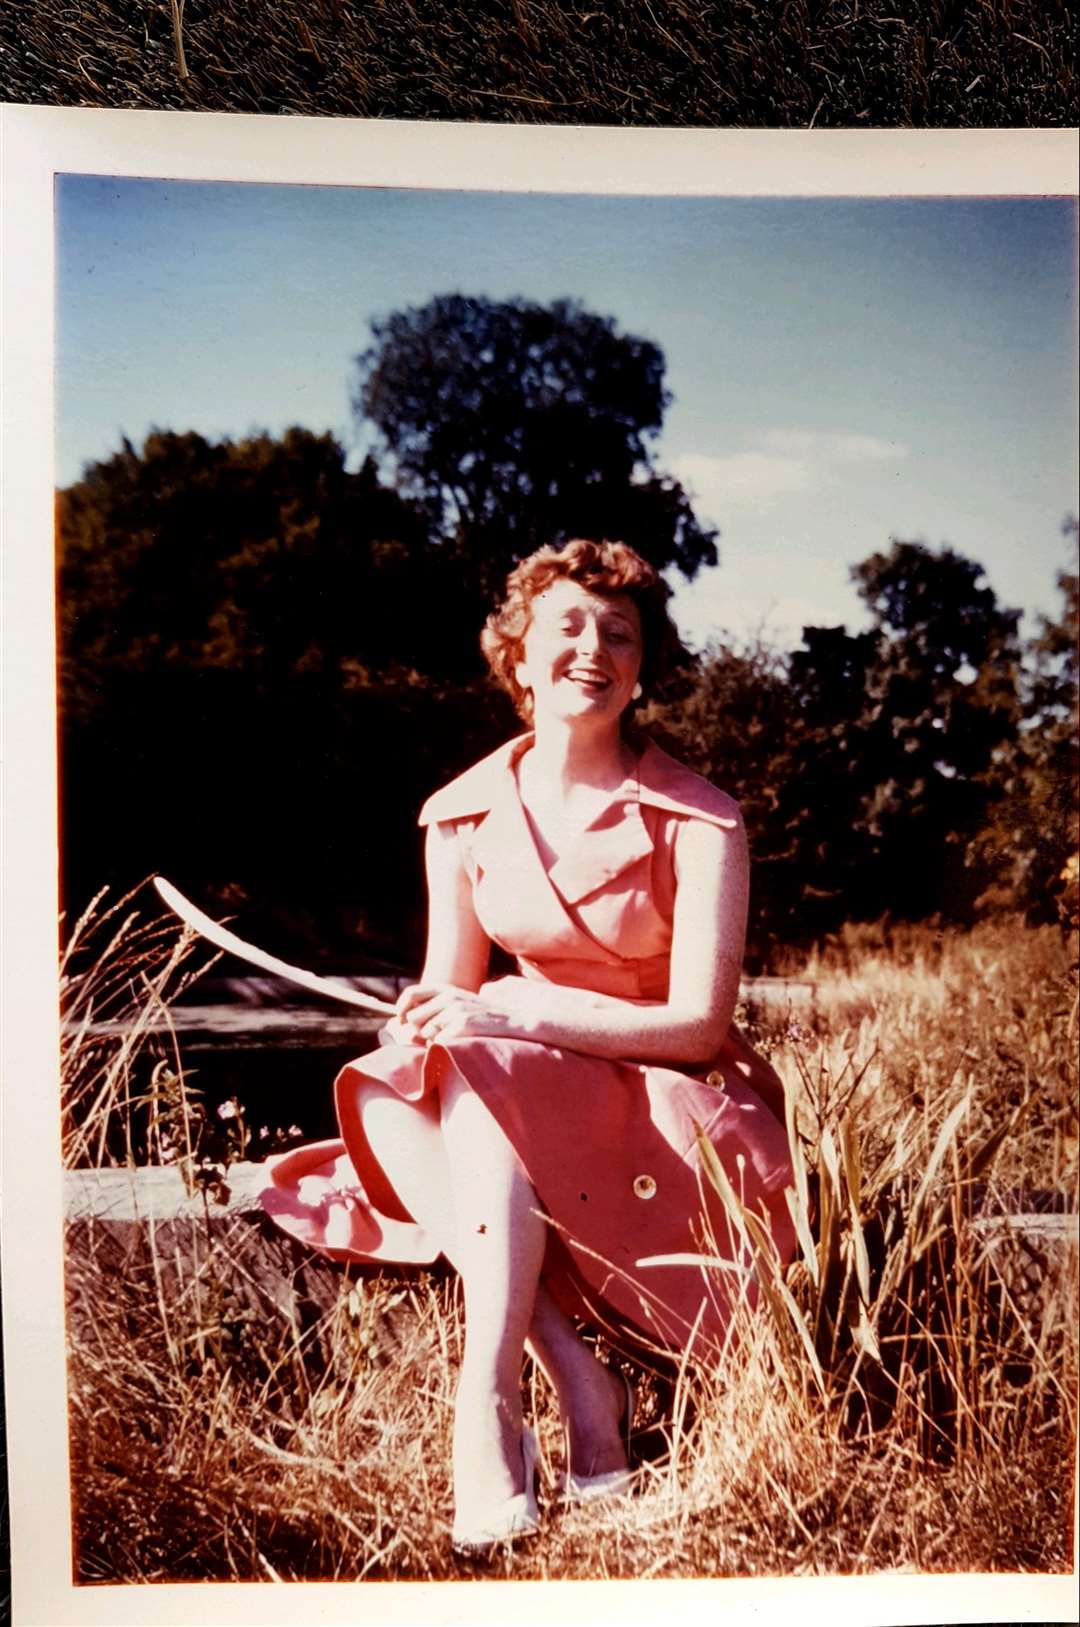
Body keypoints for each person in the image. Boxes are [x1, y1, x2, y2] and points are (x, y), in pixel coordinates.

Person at [260, 538, 795, 1553]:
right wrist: (429, 1016)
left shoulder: (701, 818)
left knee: (480, 1066)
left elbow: (700, 1026)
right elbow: (450, 994)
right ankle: (574, 1381)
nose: (593, 649)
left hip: (667, 1098)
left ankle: (486, 1392)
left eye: (620, 633)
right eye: (569, 626)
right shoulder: (460, 814)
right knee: (398, 1076)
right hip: (509, 1087)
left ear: (642, 666)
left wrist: (515, 1014)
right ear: (518, 653)